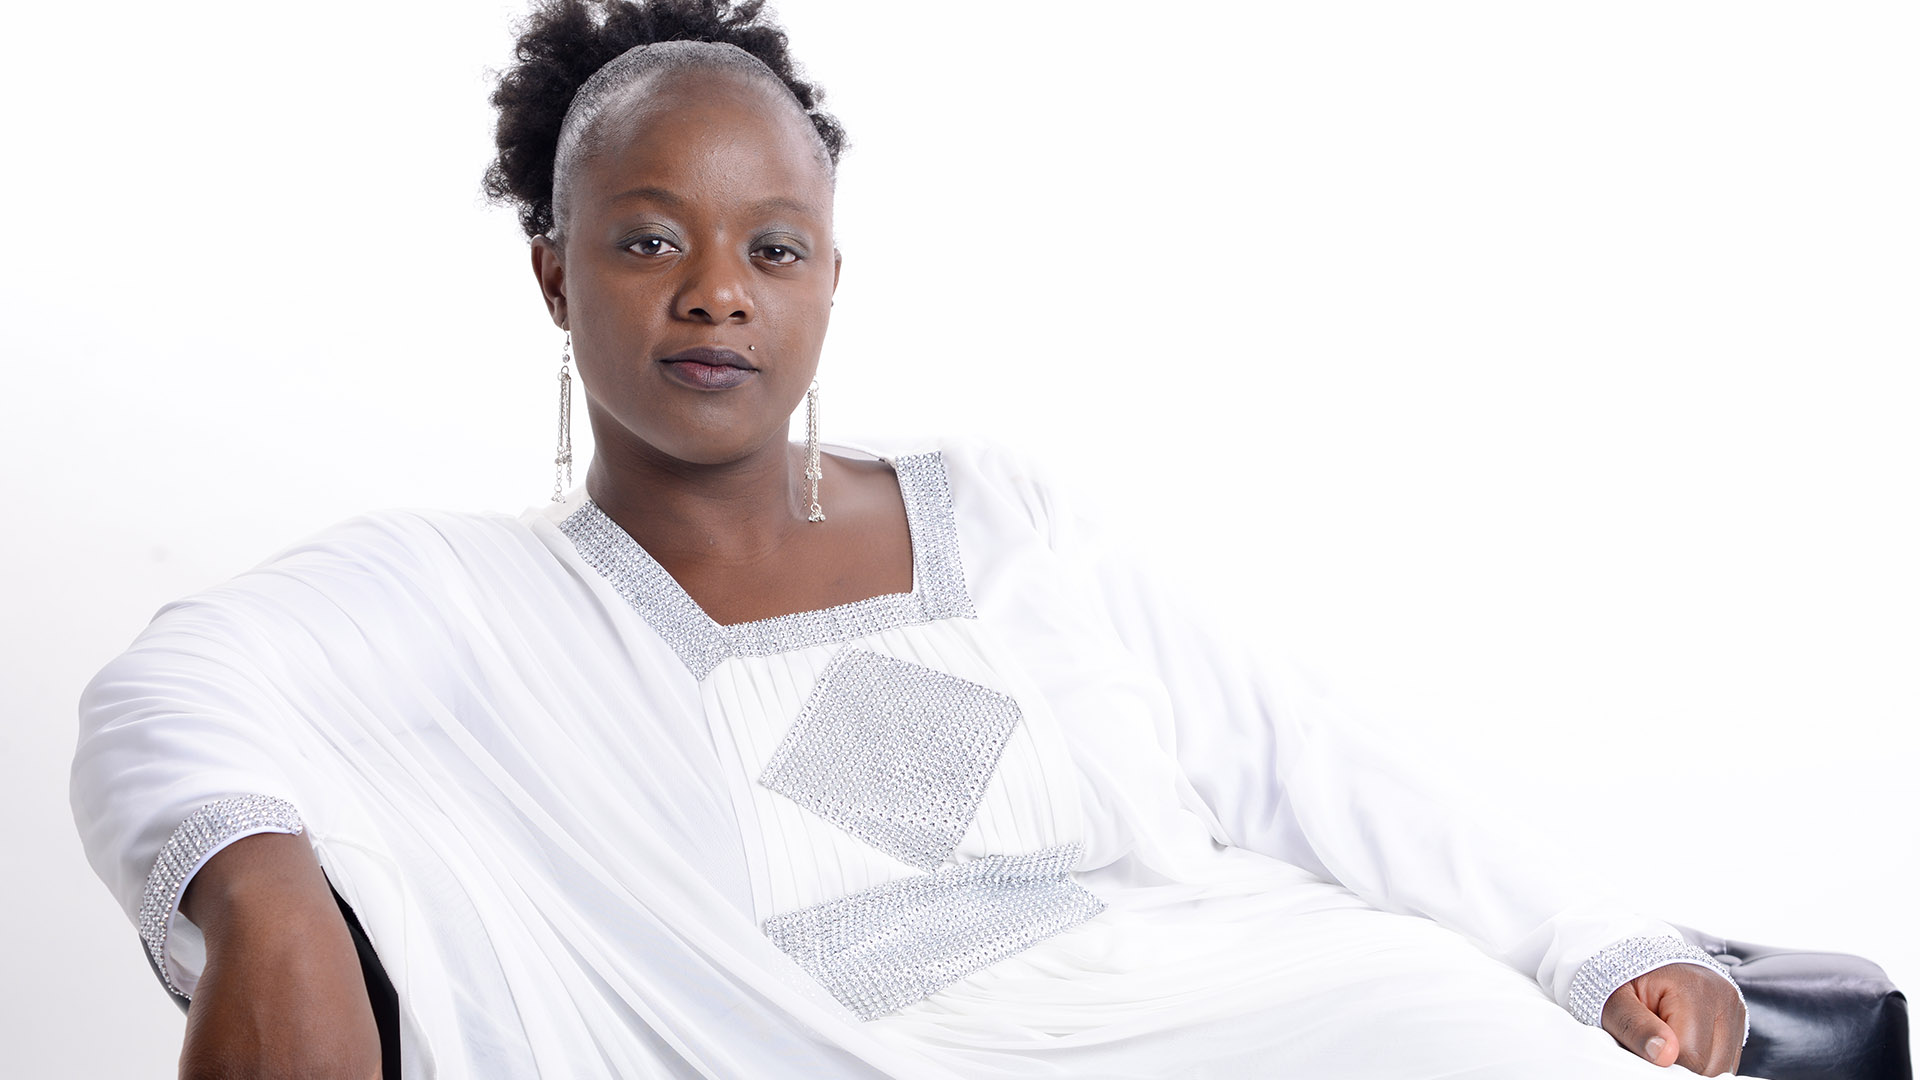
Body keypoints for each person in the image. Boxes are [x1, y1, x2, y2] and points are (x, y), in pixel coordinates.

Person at [71, 1, 1754, 1076]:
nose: (717, 291)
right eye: (649, 241)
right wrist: (259, 891)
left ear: (828, 279)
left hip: (1241, 1000)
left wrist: (1598, 949)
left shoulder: (992, 510)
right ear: (555, 274)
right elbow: (167, 696)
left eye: (773, 248)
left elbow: (1294, 755)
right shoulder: (472, 594)